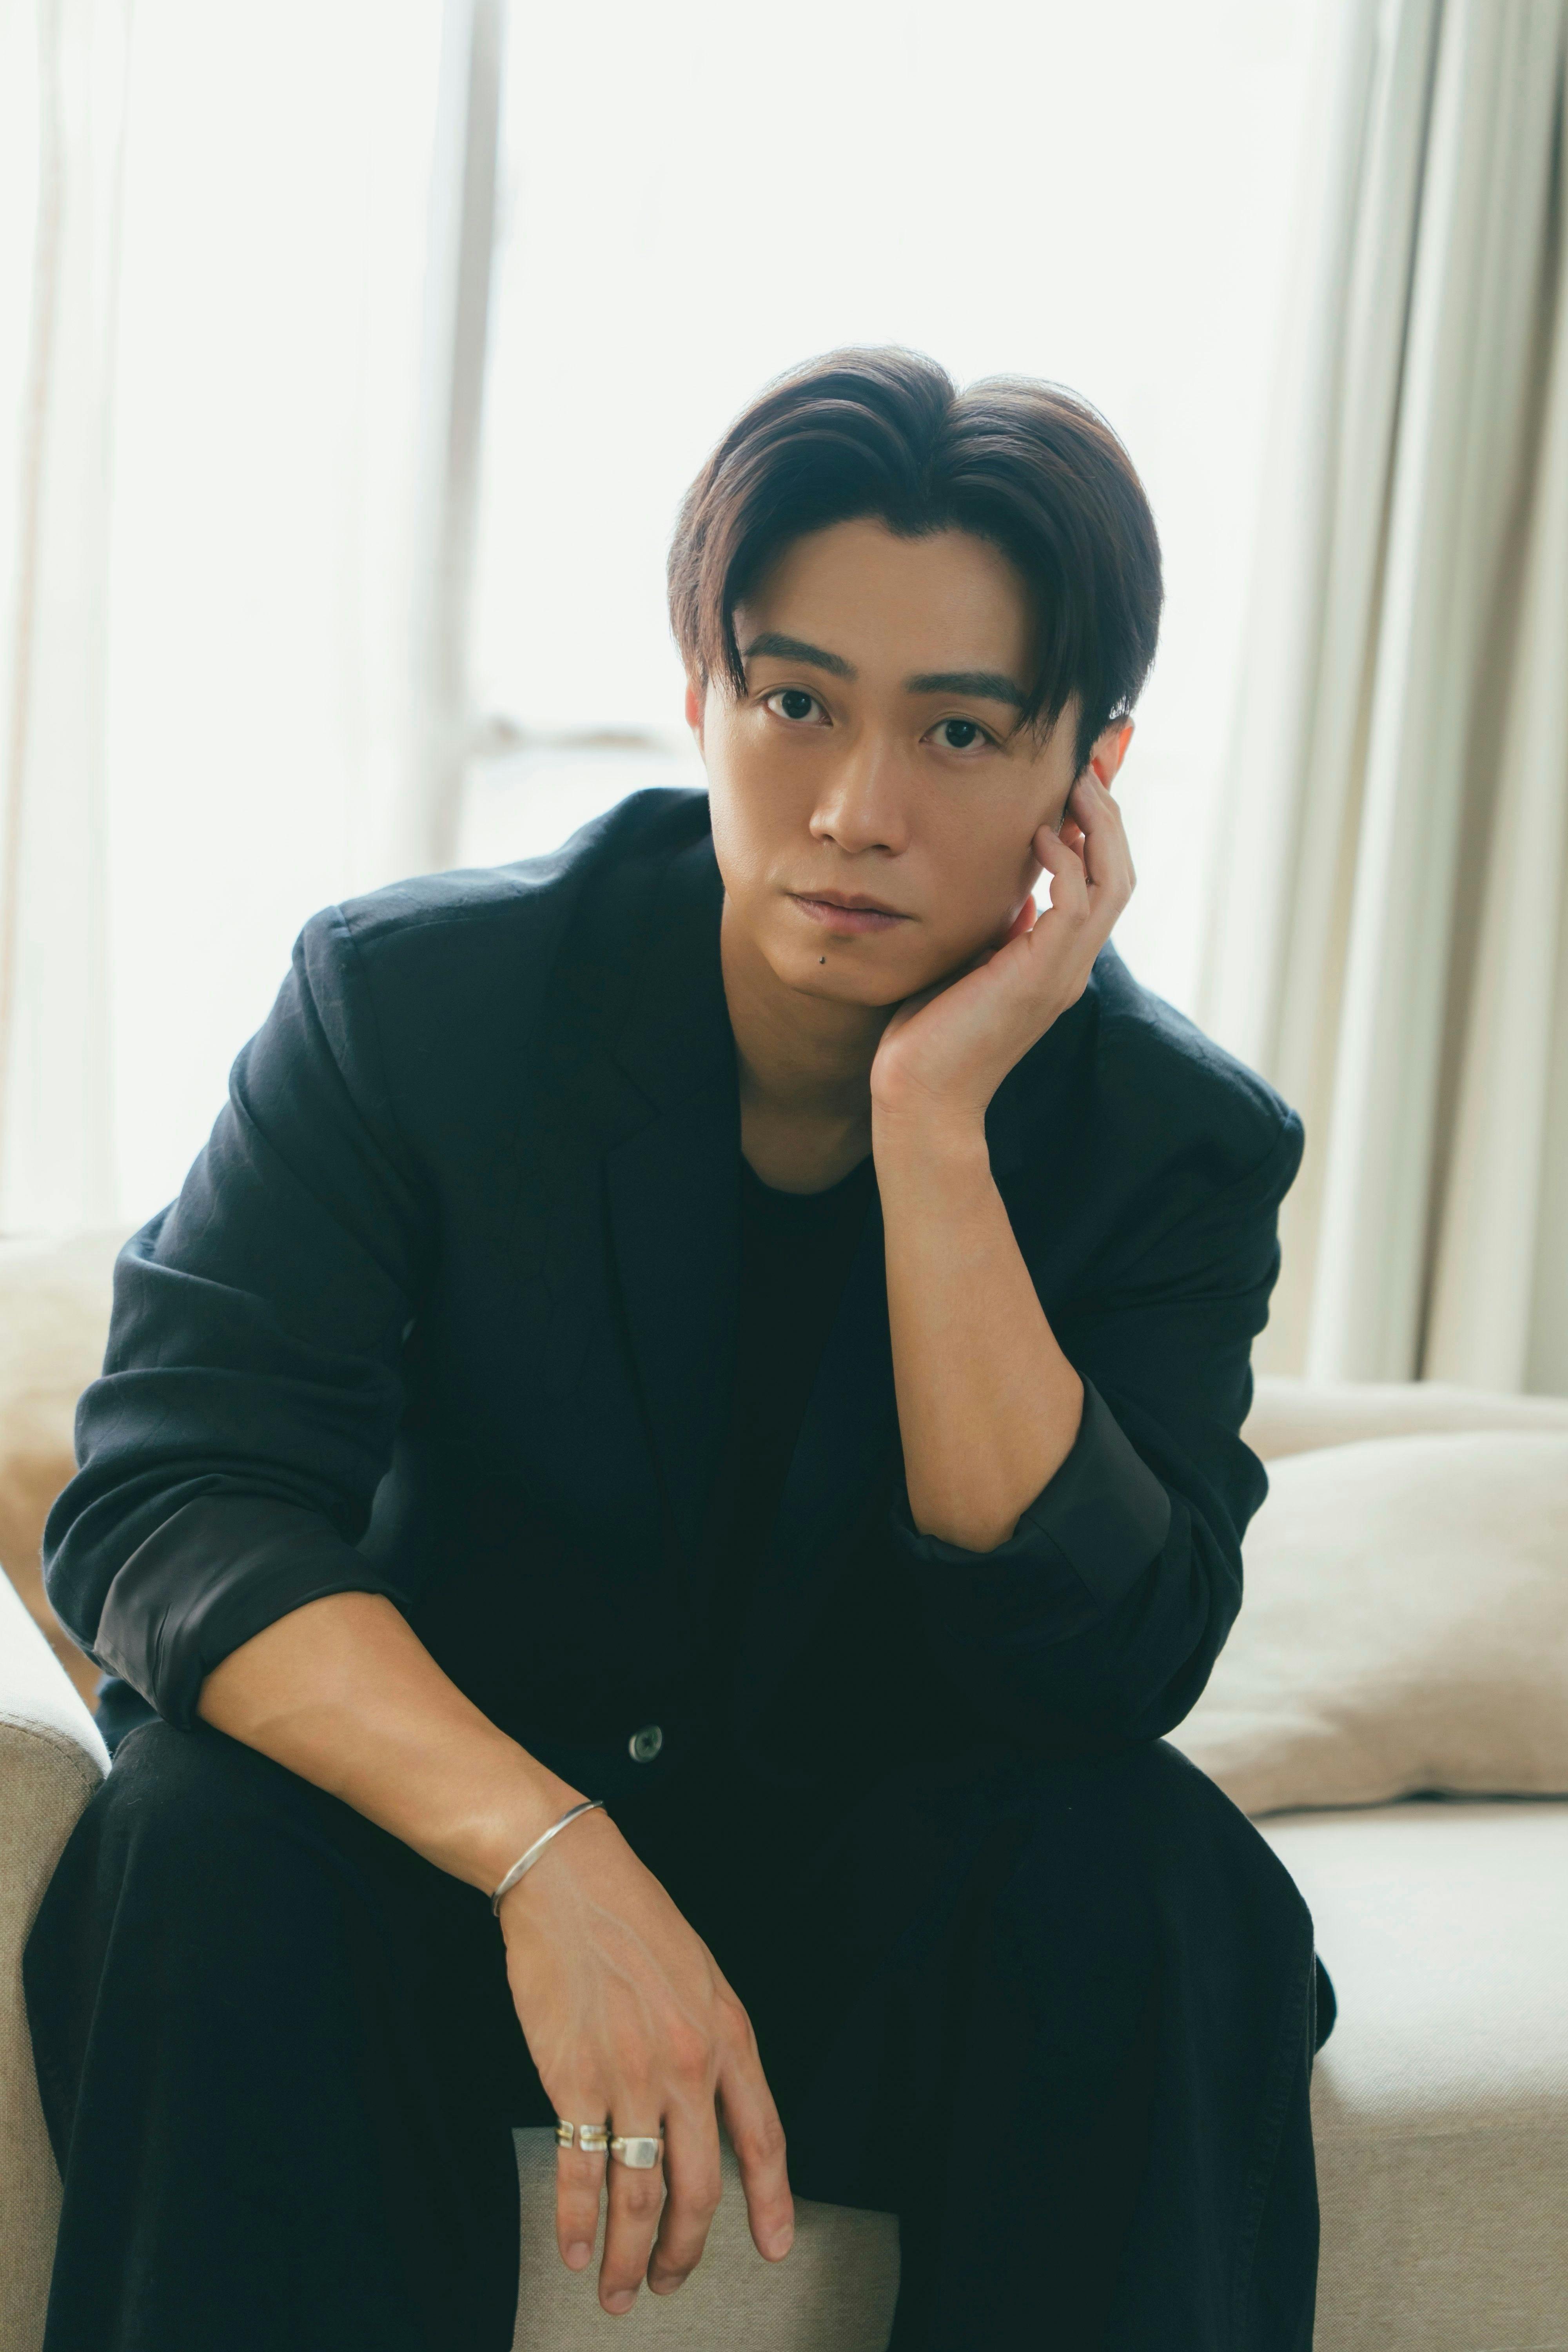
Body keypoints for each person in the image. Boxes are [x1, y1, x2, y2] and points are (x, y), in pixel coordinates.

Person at [25, 347, 1331, 2352]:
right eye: (795, 701)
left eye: (959, 731)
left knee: (1166, 1890)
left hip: (873, 1918)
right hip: (430, 1878)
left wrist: (935, 1136)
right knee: (195, 1843)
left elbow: (1100, 1673)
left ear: (1089, 775)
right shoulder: (414, 1008)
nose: (855, 811)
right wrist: (549, 1854)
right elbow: (174, 1499)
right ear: (700, 691)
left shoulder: (1173, 1144)